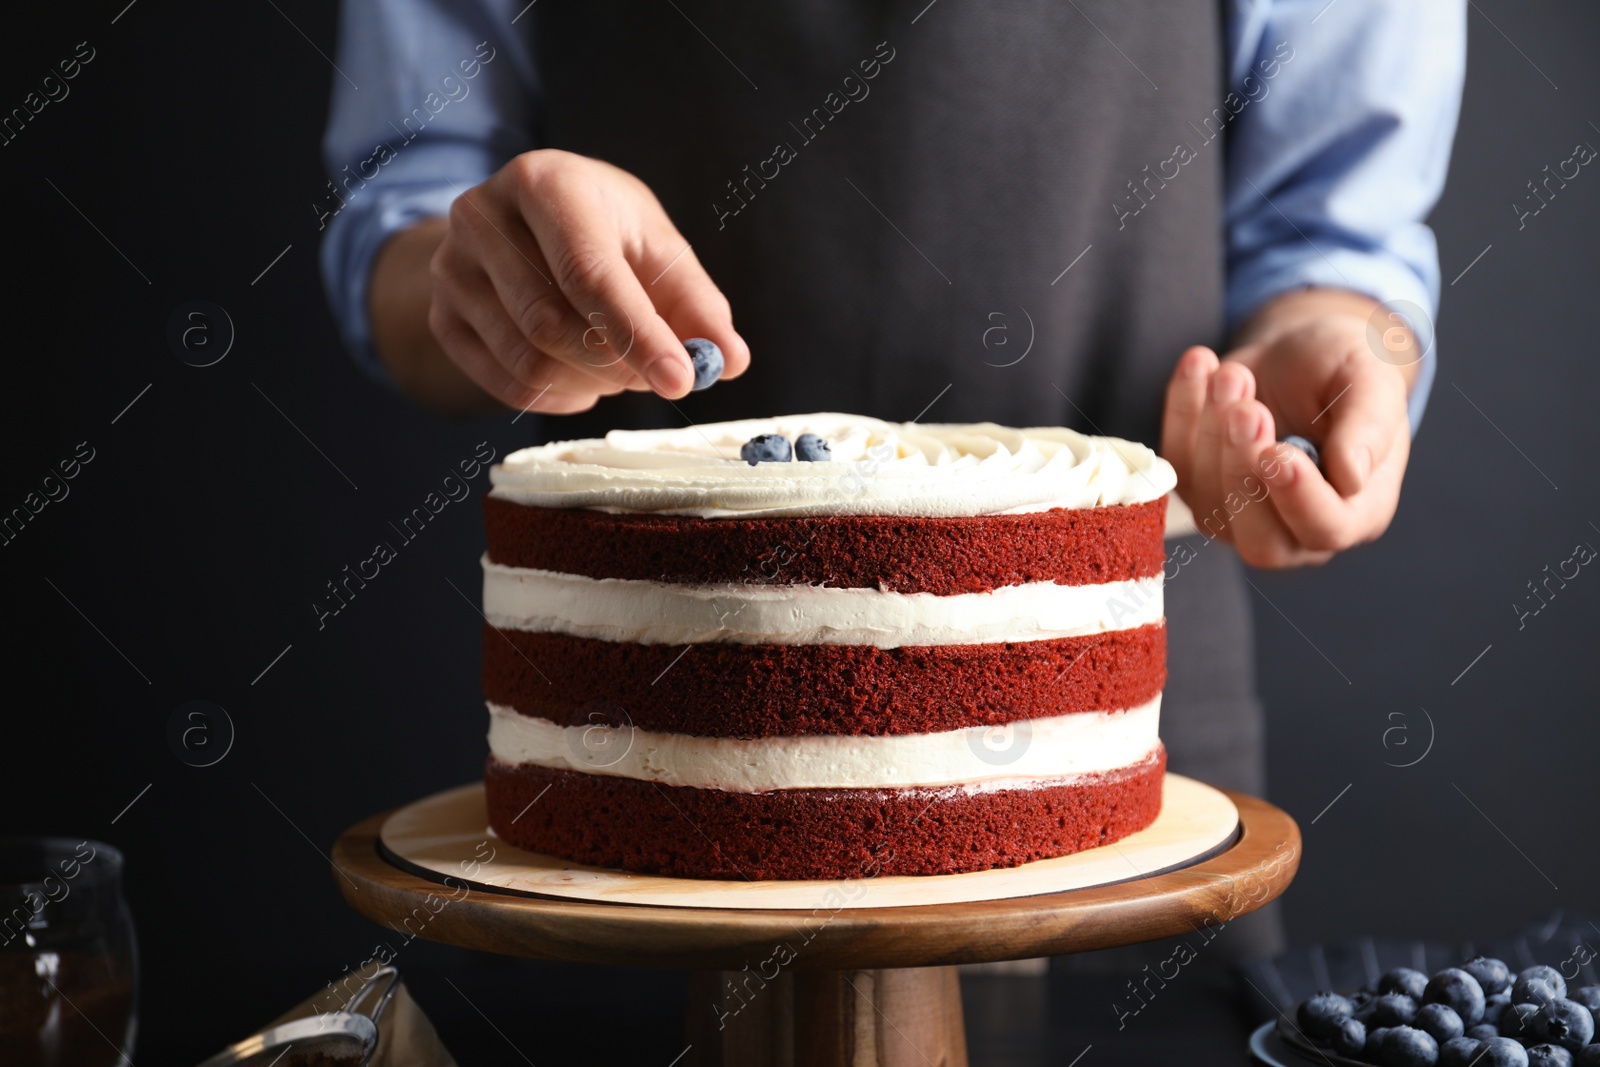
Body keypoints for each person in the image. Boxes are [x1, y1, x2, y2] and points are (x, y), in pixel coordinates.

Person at [321, 0, 1465, 956]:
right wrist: (477, 277)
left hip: (1112, 795)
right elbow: (405, 203)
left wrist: (1337, 350)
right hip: (622, 820)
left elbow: (1334, 231)